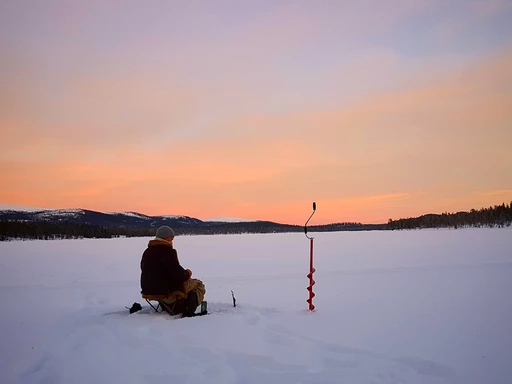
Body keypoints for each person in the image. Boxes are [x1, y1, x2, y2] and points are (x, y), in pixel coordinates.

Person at [140, 225, 206, 317]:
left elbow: (146, 269)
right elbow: (178, 275)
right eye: (171, 237)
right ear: (166, 237)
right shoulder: (167, 251)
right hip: (167, 292)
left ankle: (170, 306)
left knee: (189, 283)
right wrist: (187, 273)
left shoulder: (147, 251)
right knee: (198, 284)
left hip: (150, 290)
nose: (172, 239)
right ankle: (188, 309)